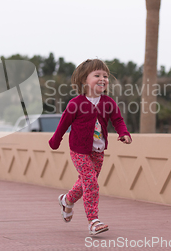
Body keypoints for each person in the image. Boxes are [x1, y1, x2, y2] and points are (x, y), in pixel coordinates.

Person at [49, 58, 132, 235]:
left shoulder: (108, 102)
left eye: (105, 75)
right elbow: (63, 124)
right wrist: (55, 141)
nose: (103, 78)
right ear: (84, 80)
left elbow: (118, 119)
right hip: (78, 150)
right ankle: (93, 220)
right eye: (97, 75)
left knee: (85, 182)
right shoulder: (75, 104)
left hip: (98, 151)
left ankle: (66, 200)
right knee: (91, 182)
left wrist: (123, 133)